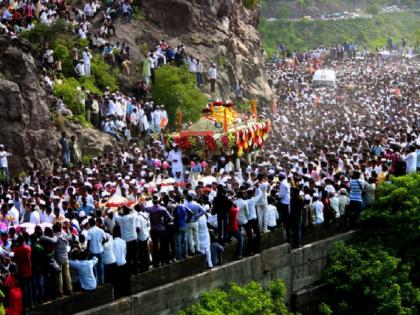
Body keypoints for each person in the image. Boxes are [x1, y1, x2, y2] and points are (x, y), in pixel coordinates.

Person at [142, 196, 173, 267]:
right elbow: (169, 218)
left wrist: (143, 201)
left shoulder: (150, 209)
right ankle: (165, 260)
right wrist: (164, 223)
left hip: (154, 230)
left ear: (153, 202)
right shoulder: (163, 209)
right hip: (162, 229)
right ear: (158, 201)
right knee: (164, 245)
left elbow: (143, 208)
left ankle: (156, 262)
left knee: (155, 246)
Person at [115, 207, 138, 274]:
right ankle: (135, 270)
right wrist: (131, 209)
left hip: (126, 240)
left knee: (128, 256)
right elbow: (136, 212)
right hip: (133, 238)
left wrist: (117, 210)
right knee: (135, 256)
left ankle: (129, 271)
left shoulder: (121, 219)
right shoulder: (132, 217)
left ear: (123, 212)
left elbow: (115, 216)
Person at [13, 235, 32, 307]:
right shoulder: (28, 248)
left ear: (18, 242)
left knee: (24, 288)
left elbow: (14, 260)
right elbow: (29, 259)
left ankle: (26, 304)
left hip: (21, 271)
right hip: (29, 270)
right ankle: (31, 303)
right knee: (29, 287)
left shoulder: (17, 250)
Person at [86, 218, 107, 285]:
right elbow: (105, 239)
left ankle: (96, 283)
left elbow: (88, 242)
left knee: (95, 268)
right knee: (101, 267)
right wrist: (101, 244)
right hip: (100, 250)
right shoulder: (101, 230)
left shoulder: (90, 231)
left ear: (89, 223)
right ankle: (102, 282)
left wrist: (87, 251)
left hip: (93, 252)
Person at [172, 195, 190, 260]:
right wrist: (188, 219)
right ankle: (185, 255)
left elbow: (174, 217)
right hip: (184, 224)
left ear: (175, 200)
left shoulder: (175, 207)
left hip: (178, 225)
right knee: (185, 240)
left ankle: (179, 256)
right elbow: (191, 212)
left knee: (178, 242)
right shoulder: (184, 206)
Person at [277, 172, 291, 241]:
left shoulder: (282, 183)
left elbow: (281, 195)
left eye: (279, 176)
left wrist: (277, 200)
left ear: (281, 177)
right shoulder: (286, 183)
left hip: (284, 203)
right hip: (287, 202)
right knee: (286, 221)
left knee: (284, 220)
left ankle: (286, 236)